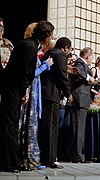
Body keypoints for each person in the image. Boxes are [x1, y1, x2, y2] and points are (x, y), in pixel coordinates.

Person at [0, 20, 55, 173]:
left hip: (14, 87)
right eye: (51, 36)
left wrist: (24, 88)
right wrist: (24, 89)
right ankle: (9, 162)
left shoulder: (30, 45)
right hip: (11, 88)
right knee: (10, 125)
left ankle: (11, 160)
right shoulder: (29, 46)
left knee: (10, 124)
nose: (51, 38)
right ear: (46, 36)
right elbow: (23, 72)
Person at [19, 22, 55, 170]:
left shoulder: (32, 48)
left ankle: (31, 158)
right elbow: (30, 73)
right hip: (29, 91)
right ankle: (27, 159)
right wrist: (45, 65)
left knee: (32, 125)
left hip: (34, 91)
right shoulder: (30, 49)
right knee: (27, 124)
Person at [39, 37, 73, 169]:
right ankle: (50, 159)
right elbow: (62, 76)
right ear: (65, 47)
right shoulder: (61, 56)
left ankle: (44, 156)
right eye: (69, 49)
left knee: (45, 126)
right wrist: (68, 93)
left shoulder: (49, 53)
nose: (69, 52)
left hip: (44, 93)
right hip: (52, 95)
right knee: (52, 128)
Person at [69, 47, 94, 163]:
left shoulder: (83, 65)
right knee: (78, 129)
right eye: (91, 58)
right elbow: (79, 73)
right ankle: (78, 155)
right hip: (80, 99)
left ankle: (77, 154)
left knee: (79, 128)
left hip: (82, 99)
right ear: (88, 56)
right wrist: (89, 78)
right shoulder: (79, 63)